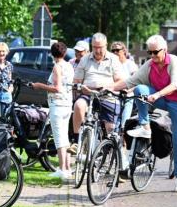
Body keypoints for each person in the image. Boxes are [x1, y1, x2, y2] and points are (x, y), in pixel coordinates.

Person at [109, 35, 177, 193]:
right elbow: (130, 81)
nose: (153, 56)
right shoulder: (149, 65)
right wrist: (109, 88)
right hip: (160, 98)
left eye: (155, 52)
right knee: (140, 90)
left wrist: (157, 95)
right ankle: (145, 126)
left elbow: (175, 84)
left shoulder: (173, 61)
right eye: (150, 52)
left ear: (164, 50)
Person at [69, 32, 124, 154]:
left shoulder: (113, 60)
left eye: (100, 47)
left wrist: (109, 87)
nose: (98, 50)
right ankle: (77, 141)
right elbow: (76, 81)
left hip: (108, 96)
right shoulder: (85, 59)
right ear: (91, 46)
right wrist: (82, 87)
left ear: (106, 45)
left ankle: (107, 151)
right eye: (95, 47)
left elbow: (120, 81)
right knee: (78, 106)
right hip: (88, 94)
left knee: (110, 130)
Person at [31, 42, 74, 179]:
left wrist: (39, 86)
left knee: (59, 138)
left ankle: (62, 169)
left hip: (58, 104)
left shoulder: (57, 67)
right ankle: (67, 168)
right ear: (65, 53)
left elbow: (57, 88)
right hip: (68, 104)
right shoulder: (69, 65)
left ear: (51, 53)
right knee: (65, 137)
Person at [110, 41, 139, 129]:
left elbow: (137, 80)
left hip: (127, 96)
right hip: (113, 96)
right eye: (113, 50)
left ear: (124, 51)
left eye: (117, 50)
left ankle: (123, 132)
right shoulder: (110, 64)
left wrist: (129, 90)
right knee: (112, 124)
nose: (115, 52)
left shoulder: (130, 64)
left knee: (124, 123)